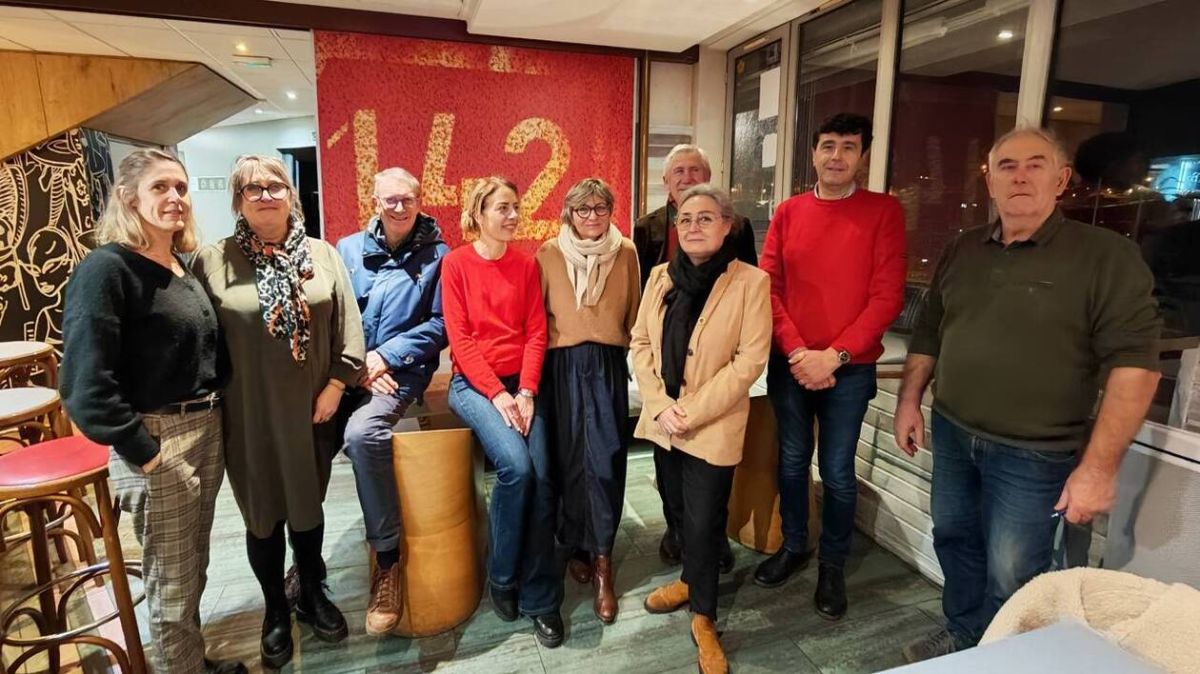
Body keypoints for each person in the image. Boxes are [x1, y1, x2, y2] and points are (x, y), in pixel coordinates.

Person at [895, 127, 1162, 662]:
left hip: (1035, 453)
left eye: (1035, 164)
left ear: (1061, 180)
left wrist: (1099, 469)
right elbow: (929, 330)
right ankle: (965, 637)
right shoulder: (963, 248)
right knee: (955, 540)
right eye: (1007, 165)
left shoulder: (1104, 256)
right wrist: (908, 400)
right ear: (989, 180)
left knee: (1015, 570)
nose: (1020, 176)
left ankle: (1007, 658)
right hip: (953, 432)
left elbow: (1135, 365)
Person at [60, 149, 245, 674]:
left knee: (192, 567)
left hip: (202, 429)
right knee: (172, 582)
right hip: (160, 439)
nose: (175, 198)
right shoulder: (107, 269)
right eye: (160, 187)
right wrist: (145, 453)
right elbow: (84, 385)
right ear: (128, 197)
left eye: (181, 188)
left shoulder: (179, 265)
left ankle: (191, 662)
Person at [193, 155, 365, 669]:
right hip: (248, 415)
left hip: (313, 410)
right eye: (253, 189)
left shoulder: (322, 254)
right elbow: (198, 340)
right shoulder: (212, 260)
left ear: (291, 195)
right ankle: (273, 608)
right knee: (263, 515)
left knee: (308, 508)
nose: (265, 195)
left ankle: (311, 592)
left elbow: (349, 327)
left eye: (275, 186)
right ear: (238, 201)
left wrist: (337, 384)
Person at [754, 113, 907, 620]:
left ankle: (833, 565)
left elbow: (886, 297)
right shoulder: (788, 212)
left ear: (863, 155)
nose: (837, 156)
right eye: (828, 145)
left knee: (838, 471)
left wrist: (834, 355)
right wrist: (799, 352)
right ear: (814, 153)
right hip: (792, 364)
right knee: (792, 461)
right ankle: (795, 544)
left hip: (850, 368)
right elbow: (768, 287)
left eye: (848, 146)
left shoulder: (884, 212)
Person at [633, 184, 771, 674]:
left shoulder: (751, 283)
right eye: (686, 218)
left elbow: (749, 361)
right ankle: (689, 581)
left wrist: (687, 412)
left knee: (704, 521)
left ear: (727, 226)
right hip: (663, 421)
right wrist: (659, 405)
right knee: (675, 508)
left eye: (706, 218)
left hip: (710, 425)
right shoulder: (659, 278)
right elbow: (640, 344)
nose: (694, 226)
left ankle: (705, 616)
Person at [441, 177, 563, 647]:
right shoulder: (456, 264)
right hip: (473, 385)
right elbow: (461, 339)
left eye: (516, 207)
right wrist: (497, 394)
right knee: (516, 467)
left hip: (523, 384)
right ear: (479, 214)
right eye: (502, 208)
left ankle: (540, 596)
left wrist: (527, 390)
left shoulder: (526, 264)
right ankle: (503, 575)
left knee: (543, 475)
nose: (513, 216)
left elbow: (536, 332)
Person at [334, 167, 449, 636]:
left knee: (363, 435)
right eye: (390, 200)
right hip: (348, 369)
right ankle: (307, 563)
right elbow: (335, 315)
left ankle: (387, 560)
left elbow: (440, 324)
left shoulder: (439, 255)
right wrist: (355, 365)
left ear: (420, 201)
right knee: (302, 440)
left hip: (401, 372)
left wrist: (386, 357)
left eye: (408, 199)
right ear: (374, 201)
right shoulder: (346, 250)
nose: (399, 207)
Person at [633, 143, 754, 570]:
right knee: (668, 465)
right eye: (678, 171)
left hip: (716, 358)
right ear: (666, 182)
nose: (687, 177)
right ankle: (676, 529)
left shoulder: (736, 226)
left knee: (710, 469)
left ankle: (711, 540)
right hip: (667, 352)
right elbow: (642, 297)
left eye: (695, 170)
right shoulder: (647, 227)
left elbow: (749, 283)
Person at [535, 177, 640, 624]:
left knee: (605, 460)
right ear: (569, 213)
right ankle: (575, 545)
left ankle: (602, 560)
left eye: (600, 208)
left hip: (607, 366)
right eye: (583, 209)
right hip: (560, 368)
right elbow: (538, 317)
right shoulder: (548, 253)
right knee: (567, 460)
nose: (592, 216)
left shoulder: (626, 251)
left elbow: (634, 313)